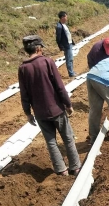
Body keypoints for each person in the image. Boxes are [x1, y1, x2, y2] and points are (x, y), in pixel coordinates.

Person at [18, 35, 81, 176]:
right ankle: (75, 167)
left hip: (40, 113)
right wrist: (68, 104)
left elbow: (24, 93)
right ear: (39, 48)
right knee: (68, 137)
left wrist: (28, 113)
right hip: (56, 109)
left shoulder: (23, 68)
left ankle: (61, 170)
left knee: (51, 141)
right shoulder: (47, 62)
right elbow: (59, 86)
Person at [55, 11, 77, 77]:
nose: (67, 18)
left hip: (69, 43)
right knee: (69, 59)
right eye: (66, 16)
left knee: (71, 58)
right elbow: (58, 38)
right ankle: (71, 73)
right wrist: (61, 46)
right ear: (62, 17)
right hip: (66, 45)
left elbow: (68, 34)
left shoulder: (64, 25)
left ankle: (72, 71)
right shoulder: (59, 27)